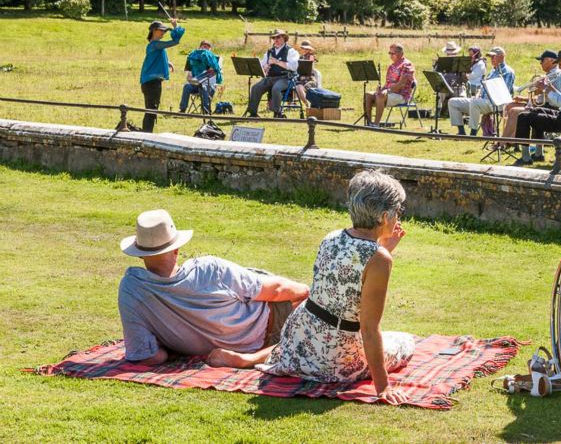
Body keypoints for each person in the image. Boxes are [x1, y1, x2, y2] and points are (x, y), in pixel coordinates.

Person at [254, 170, 415, 405]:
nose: (399, 216)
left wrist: (384, 248)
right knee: (404, 341)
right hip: (332, 358)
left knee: (387, 339)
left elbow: (346, 282)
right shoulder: (379, 259)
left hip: (299, 341)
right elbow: (369, 328)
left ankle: (249, 358)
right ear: (383, 216)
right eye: (397, 210)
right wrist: (383, 388)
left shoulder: (332, 237)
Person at [117, 209, 309, 367]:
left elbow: (150, 356)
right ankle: (249, 359)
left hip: (219, 343)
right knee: (317, 320)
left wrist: (172, 340)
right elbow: (276, 291)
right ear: (176, 249)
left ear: (140, 255)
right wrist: (308, 291)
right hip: (267, 324)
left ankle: (252, 356)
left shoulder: (132, 290)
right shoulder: (209, 270)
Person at [447, 46, 515, 136]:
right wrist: (478, 95)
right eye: (491, 57)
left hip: (496, 103)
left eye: (493, 56)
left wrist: (480, 97)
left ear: (502, 56)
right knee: (453, 102)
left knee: (475, 103)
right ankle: (461, 132)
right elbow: (483, 86)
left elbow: (503, 93)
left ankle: (473, 133)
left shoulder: (508, 72)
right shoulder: (493, 71)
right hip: (482, 101)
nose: (492, 59)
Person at [499, 49, 561, 141]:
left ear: (551, 61)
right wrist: (525, 99)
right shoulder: (550, 75)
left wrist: (543, 90)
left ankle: (508, 141)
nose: (540, 63)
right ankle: (507, 138)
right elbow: (542, 97)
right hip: (542, 105)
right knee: (510, 106)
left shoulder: (557, 75)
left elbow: (556, 99)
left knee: (514, 110)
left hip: (550, 109)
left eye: (542, 60)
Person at [140, 20, 184, 133]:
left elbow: (155, 57)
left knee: (151, 110)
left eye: (165, 31)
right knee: (151, 111)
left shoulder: (155, 45)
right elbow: (175, 41)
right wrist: (175, 26)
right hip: (152, 83)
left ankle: (146, 133)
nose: (164, 33)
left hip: (150, 82)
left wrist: (167, 62)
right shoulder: (155, 44)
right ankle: (146, 135)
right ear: (154, 31)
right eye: (162, 30)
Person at [245, 29, 299, 118]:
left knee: (276, 88)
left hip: (286, 78)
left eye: (278, 37)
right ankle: (253, 113)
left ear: (284, 38)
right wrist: (265, 67)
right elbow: (262, 65)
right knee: (255, 88)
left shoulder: (290, 51)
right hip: (271, 78)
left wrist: (277, 62)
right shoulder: (270, 51)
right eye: (274, 38)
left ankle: (277, 113)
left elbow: (294, 66)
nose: (276, 40)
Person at [364, 43, 415, 127]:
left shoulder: (407, 65)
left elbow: (401, 84)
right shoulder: (391, 66)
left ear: (400, 53)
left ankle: (376, 125)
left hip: (401, 95)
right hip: (390, 93)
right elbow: (387, 84)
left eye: (393, 53)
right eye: (389, 53)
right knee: (368, 94)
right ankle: (369, 122)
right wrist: (381, 89)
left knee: (380, 96)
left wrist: (386, 91)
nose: (390, 55)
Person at [178, 40, 222, 115]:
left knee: (203, 87)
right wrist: (192, 80)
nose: (205, 48)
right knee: (186, 86)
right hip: (196, 84)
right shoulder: (194, 57)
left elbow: (215, 74)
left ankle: (206, 111)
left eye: (208, 47)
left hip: (209, 84)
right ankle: (182, 109)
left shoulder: (214, 59)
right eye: (204, 46)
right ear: (199, 47)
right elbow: (189, 75)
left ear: (210, 49)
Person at [293, 40, 323, 108]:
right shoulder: (300, 57)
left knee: (299, 87)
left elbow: (311, 68)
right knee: (294, 84)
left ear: (310, 49)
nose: (305, 50)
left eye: (307, 49)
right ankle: (293, 103)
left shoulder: (311, 56)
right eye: (304, 48)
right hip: (300, 78)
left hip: (310, 79)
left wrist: (307, 63)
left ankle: (307, 104)